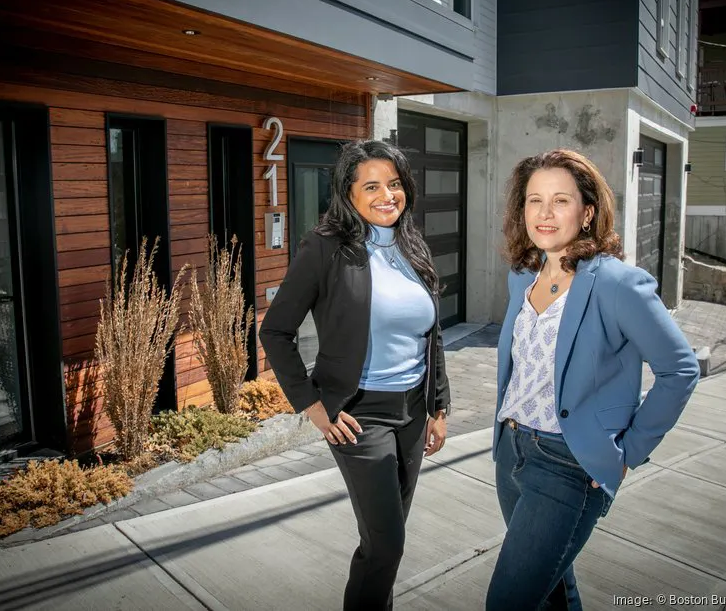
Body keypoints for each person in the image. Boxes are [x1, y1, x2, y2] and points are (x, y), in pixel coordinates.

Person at [485, 149, 700, 611]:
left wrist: (628, 454)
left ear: (587, 212)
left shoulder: (619, 284)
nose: (544, 214)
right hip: (511, 450)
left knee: (507, 602)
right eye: (533, 200)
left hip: (568, 464)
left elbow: (680, 370)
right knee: (555, 592)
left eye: (560, 201)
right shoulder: (522, 275)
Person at [259, 139, 451, 611]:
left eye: (395, 183)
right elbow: (276, 330)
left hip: (412, 412)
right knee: (386, 545)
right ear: (348, 194)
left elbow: (432, 332)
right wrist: (311, 404)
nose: (388, 195)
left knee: (387, 541)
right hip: (358, 415)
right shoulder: (325, 248)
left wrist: (439, 405)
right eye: (372, 186)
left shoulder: (411, 243)